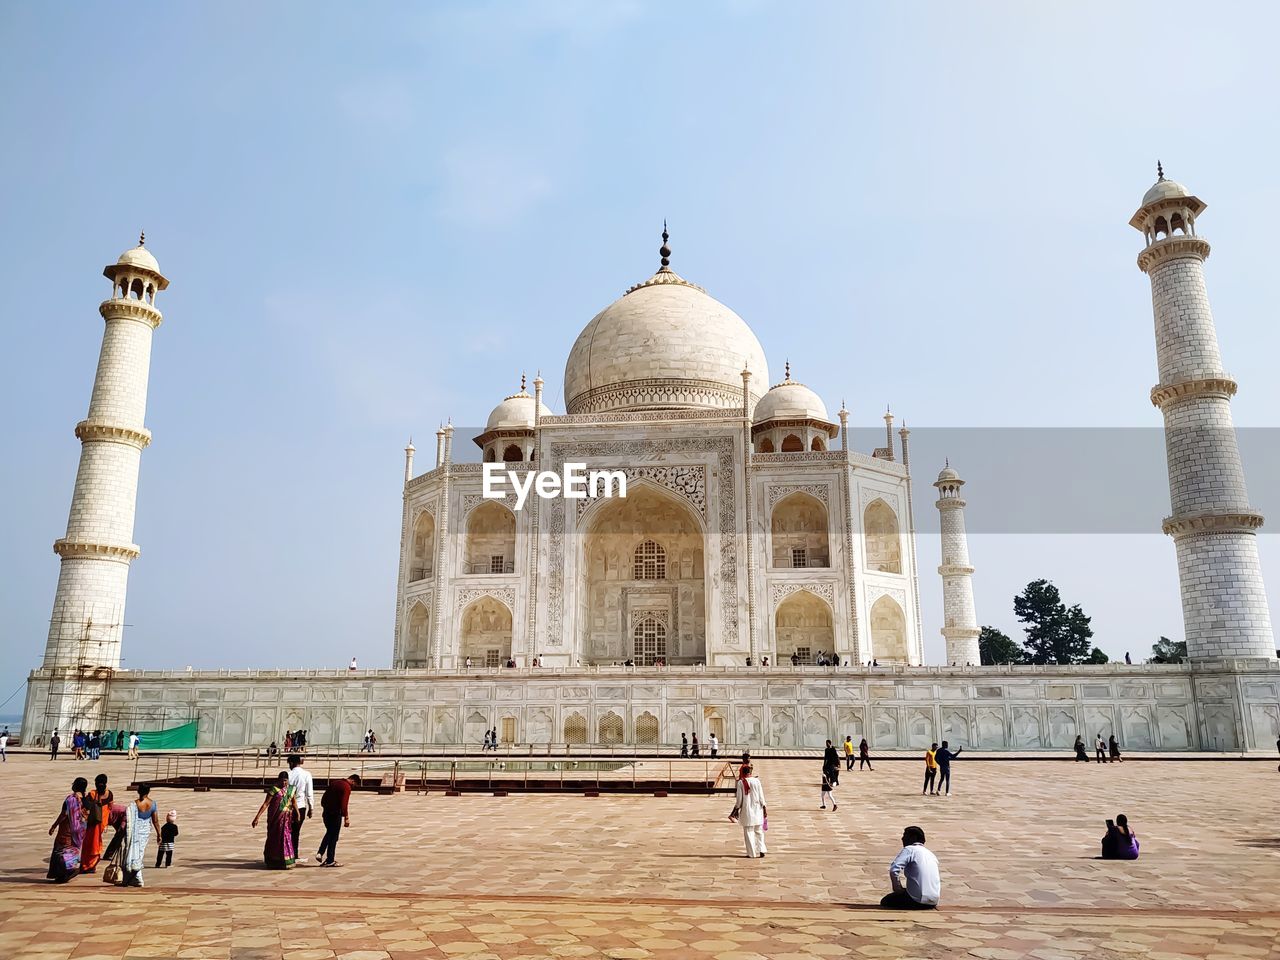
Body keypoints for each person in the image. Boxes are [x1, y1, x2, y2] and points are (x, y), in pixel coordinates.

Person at [880, 826, 940, 909]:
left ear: (913, 837)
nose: (902, 838)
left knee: (886, 900)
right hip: (933, 901)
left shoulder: (910, 849)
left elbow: (894, 870)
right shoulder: (931, 854)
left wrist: (897, 889)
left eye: (905, 836)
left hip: (916, 900)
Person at [252, 771, 298, 869]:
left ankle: (286, 860)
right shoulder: (274, 789)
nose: (283, 783)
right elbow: (266, 804)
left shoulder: (291, 789)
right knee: (275, 837)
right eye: (282, 781)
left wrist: (297, 813)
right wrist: (257, 817)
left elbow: (294, 802)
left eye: (285, 781)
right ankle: (273, 860)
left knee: (286, 837)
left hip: (286, 819)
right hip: (275, 819)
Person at [47, 777, 88, 882]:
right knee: (72, 849)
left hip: (67, 829)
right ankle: (66, 871)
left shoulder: (71, 799)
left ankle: (67, 871)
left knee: (60, 851)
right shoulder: (86, 799)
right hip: (80, 829)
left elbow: (64, 814)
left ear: (76, 786)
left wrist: (54, 826)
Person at [316, 773, 361, 867]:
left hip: (326, 813)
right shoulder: (346, 787)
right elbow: (344, 803)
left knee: (330, 833)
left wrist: (326, 808)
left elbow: (323, 799)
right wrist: (346, 817)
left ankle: (322, 854)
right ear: (353, 781)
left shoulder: (335, 783)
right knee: (334, 837)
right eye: (354, 785)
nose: (353, 787)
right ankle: (329, 859)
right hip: (336, 814)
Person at [122, 783, 161, 887]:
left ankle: (137, 878)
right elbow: (155, 821)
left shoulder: (134, 805)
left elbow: (128, 820)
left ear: (138, 791)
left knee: (131, 853)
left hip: (135, 832)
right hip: (145, 831)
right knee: (139, 853)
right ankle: (135, 878)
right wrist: (159, 834)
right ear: (148, 792)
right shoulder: (153, 804)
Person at [80, 773, 114, 873]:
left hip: (92, 823)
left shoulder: (92, 794)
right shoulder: (109, 794)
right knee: (97, 843)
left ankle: (87, 865)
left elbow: (86, 807)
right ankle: (93, 864)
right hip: (102, 823)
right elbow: (110, 807)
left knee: (88, 844)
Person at [734, 763, 767, 858]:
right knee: (759, 831)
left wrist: (737, 808)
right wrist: (764, 807)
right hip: (758, 809)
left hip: (747, 809)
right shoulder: (757, 781)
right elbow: (761, 796)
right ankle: (761, 849)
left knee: (748, 832)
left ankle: (751, 853)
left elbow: (739, 799)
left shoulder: (741, 782)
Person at [287, 754, 314, 863]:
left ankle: (287, 852)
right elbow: (309, 793)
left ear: (292, 763)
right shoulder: (306, 774)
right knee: (296, 831)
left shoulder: (288, 774)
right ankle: (294, 853)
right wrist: (311, 808)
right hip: (300, 806)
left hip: (287, 806)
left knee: (287, 831)